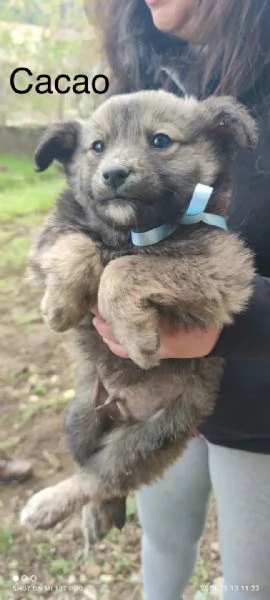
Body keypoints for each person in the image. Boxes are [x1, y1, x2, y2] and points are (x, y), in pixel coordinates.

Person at [87, 1, 270, 598]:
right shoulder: (145, 69)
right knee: (163, 542)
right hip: (160, 393)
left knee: (252, 583)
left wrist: (230, 324)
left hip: (260, 414)